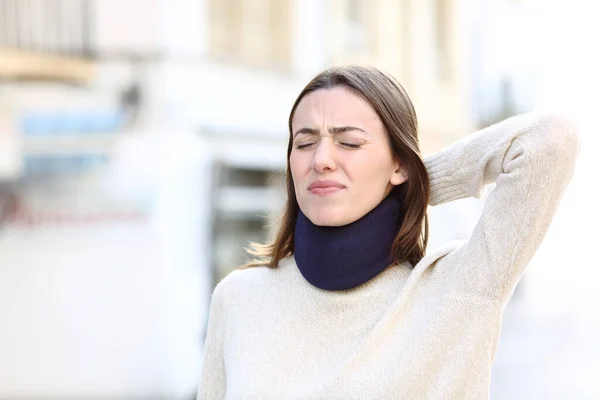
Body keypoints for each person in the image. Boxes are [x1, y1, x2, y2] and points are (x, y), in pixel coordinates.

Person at [196, 65, 579, 399]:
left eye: (349, 143)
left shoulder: (457, 290)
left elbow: (549, 141)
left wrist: (414, 181)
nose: (321, 160)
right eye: (305, 143)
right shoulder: (238, 298)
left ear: (399, 163)